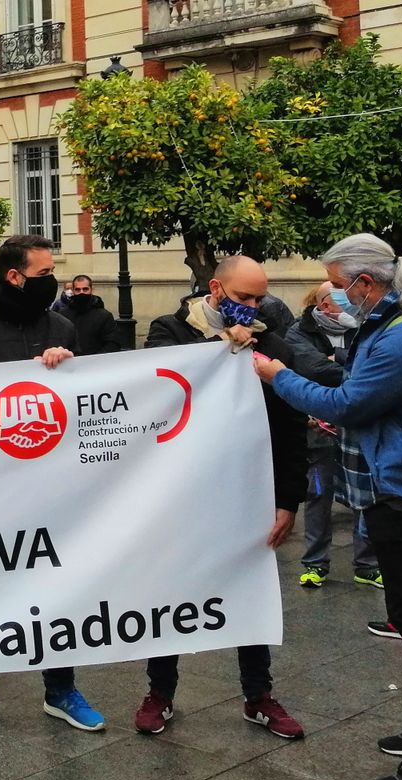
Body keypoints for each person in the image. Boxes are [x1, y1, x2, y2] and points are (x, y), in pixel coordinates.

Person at [258, 234, 402, 780]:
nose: (336, 295)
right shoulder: (395, 327)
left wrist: (275, 373)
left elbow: (345, 403)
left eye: (339, 285)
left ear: (365, 282)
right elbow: (359, 392)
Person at [0, 235, 102, 735]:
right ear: (14, 276)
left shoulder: (62, 327)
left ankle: (61, 688)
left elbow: (83, 400)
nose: (53, 281)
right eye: (44, 273)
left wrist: (67, 368)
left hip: (51, 484)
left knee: (57, 585)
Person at [141, 255, 306, 741]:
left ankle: (259, 695)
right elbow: (157, 385)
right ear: (215, 289)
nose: (252, 306)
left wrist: (287, 500)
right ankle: (159, 693)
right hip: (181, 490)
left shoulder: (272, 344)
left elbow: (290, 427)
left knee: (250, 591)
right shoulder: (170, 329)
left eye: (259, 298)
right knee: (169, 591)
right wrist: (221, 349)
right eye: (242, 297)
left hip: (246, 490)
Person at [283, 282, 377, 589]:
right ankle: (315, 563)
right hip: (319, 430)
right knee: (318, 494)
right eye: (344, 300)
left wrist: (337, 357)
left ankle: (367, 565)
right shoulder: (299, 332)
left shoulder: (364, 327)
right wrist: (349, 367)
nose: (353, 305)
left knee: (364, 494)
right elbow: (315, 370)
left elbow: (373, 368)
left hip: (356, 425)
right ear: (325, 305)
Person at [60, 275, 123, 356]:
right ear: (73, 291)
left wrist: (95, 359)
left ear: (92, 290)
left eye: (85, 289)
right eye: (78, 290)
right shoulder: (63, 315)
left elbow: (112, 343)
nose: (81, 292)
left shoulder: (104, 316)